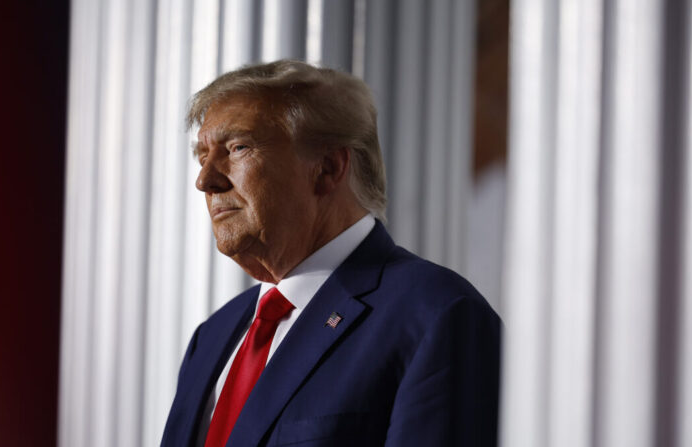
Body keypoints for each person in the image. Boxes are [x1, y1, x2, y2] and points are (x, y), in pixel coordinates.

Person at [162, 60, 501, 447]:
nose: (205, 180)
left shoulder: (439, 316)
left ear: (327, 167)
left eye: (238, 147)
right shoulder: (213, 336)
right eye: (202, 156)